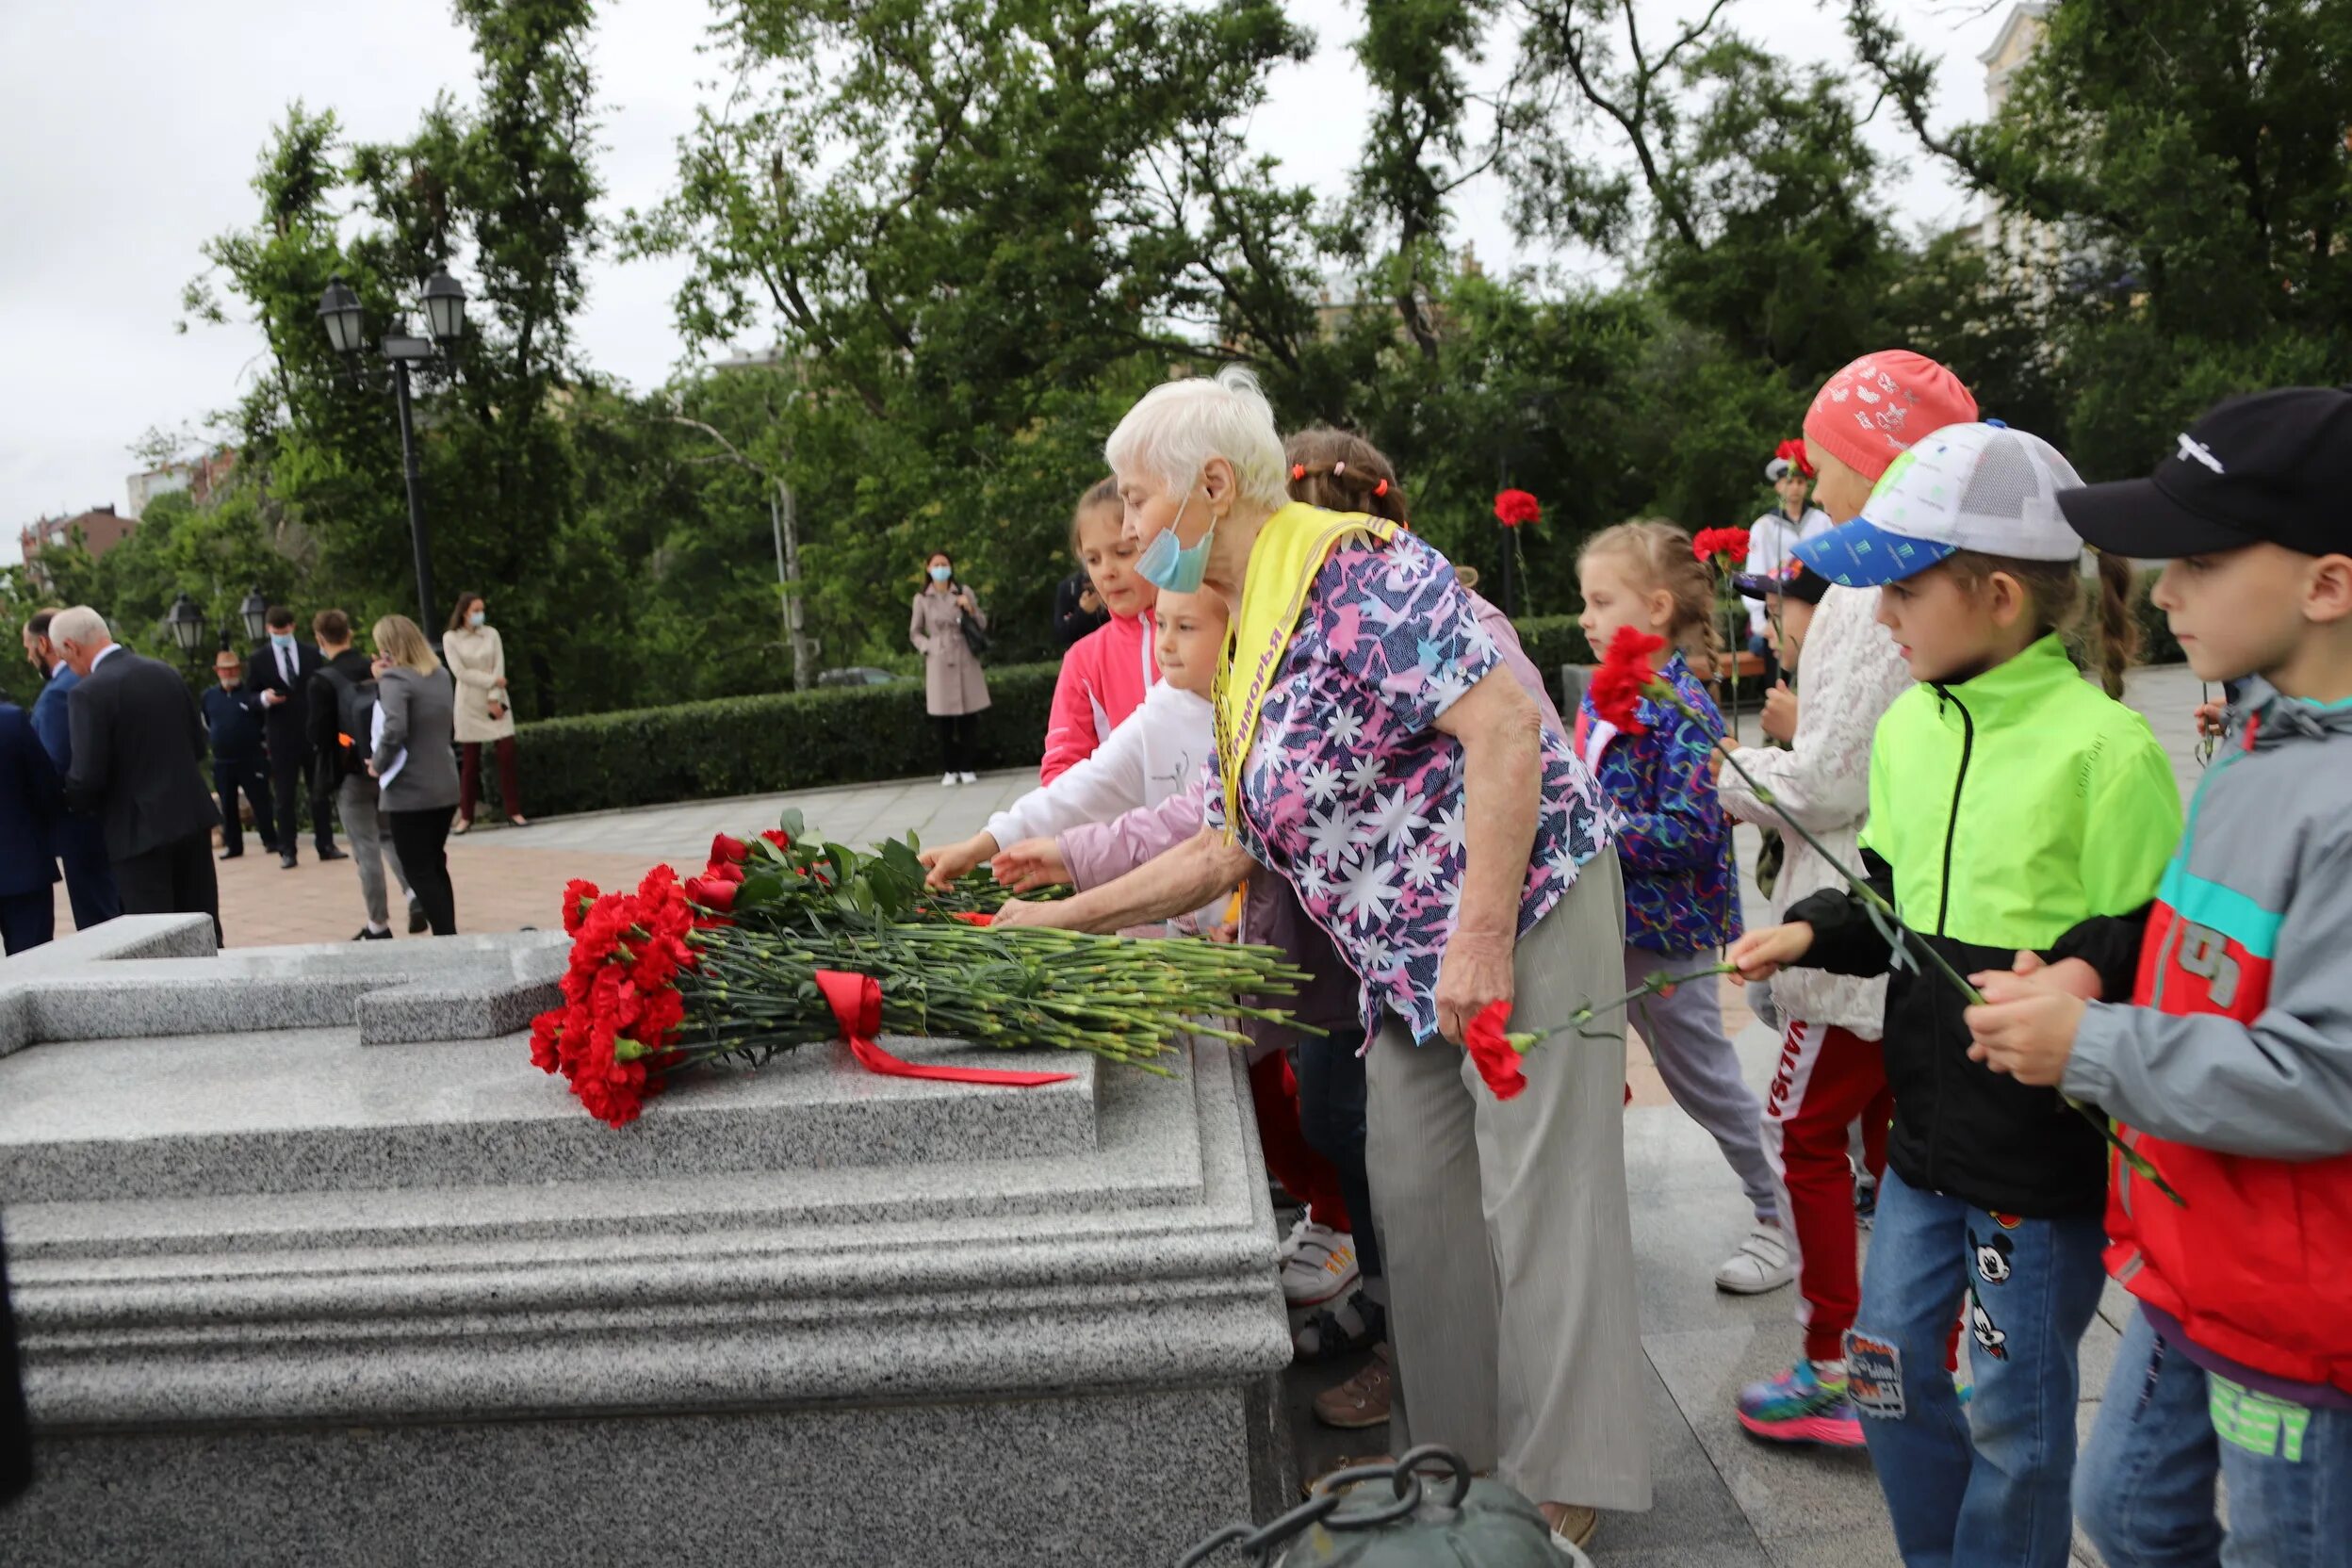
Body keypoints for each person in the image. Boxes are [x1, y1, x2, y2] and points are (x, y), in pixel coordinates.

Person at [992, 368, 1644, 1552]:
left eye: (1137, 501)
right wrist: (1062, 914)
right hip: (1406, 969)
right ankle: (1451, 1482)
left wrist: (1484, 931)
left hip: (1526, 911)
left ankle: (1558, 1500)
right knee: (1418, 1195)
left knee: (1546, 1200)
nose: (1128, 531)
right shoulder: (1256, 622)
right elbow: (1226, 839)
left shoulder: (1358, 573)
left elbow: (1503, 724)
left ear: (1212, 486)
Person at [1728, 421, 2181, 1568]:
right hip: (1923, 1147)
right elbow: (1888, 895)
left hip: (2037, 1163)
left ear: (1993, 596)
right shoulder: (1910, 732)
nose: (1881, 615)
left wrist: (2080, 969)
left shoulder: (2107, 748)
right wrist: (1810, 928)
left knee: (2016, 1416)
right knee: (1881, 1371)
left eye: (1903, 589)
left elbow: (2149, 940)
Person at [1962, 386, 2352, 1567]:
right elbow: (2206, 967)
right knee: (2129, 1511)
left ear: (2327, 584)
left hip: (2299, 1307)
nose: (2163, 587)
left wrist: (2091, 1049)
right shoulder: (2254, 737)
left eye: (2198, 557)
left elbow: (2324, 1076)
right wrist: (2090, 979)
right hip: (2198, 1259)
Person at [1714, 560, 1911, 1446]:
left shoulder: (1861, 643)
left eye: (1780, 607)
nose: (1776, 625)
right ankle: (1908, 1367)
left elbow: (1825, 786)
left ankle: (1835, 1360)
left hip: (1845, 966)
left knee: (1801, 1138)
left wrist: (1739, 761)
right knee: (1895, 1155)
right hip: (1882, 963)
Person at [1576, 519, 1790, 1294]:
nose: (1586, 619)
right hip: (1612, 921)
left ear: (1657, 606)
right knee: (1585, 1067)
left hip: (1668, 932)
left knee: (1703, 1079)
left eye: (1602, 602)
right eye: (1585, 602)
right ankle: (1583, 1214)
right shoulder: (1613, 694)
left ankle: (1784, 1216)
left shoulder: (1683, 708)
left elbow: (1695, 831)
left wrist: (1589, 831)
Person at [919, 590, 1216, 903]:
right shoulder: (1160, 710)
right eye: (1161, 623)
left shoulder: (1261, 716)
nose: (1165, 642)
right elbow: (1085, 786)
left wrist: (1075, 857)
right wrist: (983, 844)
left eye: (1185, 627)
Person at [51, 607, 224, 943]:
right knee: (204, 930)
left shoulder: (87, 694)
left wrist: (61, 798)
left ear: (71, 646)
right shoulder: (165, 672)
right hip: (190, 819)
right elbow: (198, 746)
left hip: (136, 834)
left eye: (65, 659)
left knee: (156, 941)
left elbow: (87, 778)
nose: (71, 668)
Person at [310, 611, 421, 940]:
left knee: (365, 847)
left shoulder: (321, 680)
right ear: (349, 633)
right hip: (386, 769)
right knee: (390, 837)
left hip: (350, 775)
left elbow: (316, 735)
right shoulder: (374, 667)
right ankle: (414, 894)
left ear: (320, 639)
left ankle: (378, 924)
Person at [1041, 479, 1159, 782]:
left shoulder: (1209, 629)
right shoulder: (1082, 660)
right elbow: (1061, 769)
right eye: (1093, 559)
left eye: (1122, 552)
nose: (1106, 571)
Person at [23, 609, 120, 928]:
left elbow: (54, 767)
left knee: (100, 920)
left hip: (81, 830)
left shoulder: (55, 695)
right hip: (114, 822)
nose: (27, 657)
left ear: (43, 644)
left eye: (27, 648)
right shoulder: (93, 676)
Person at [368, 614, 461, 937]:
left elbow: (394, 728)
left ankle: (446, 937)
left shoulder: (396, 680)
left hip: (410, 791)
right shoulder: (440, 675)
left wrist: (377, 763)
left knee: (417, 868)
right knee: (436, 863)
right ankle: (449, 933)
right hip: (445, 785)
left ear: (389, 648)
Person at [245, 606, 343, 870]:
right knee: (285, 796)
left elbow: (323, 688)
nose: (281, 635)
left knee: (319, 791)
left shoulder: (311, 654)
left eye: (285, 631)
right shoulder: (259, 659)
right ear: (268, 630)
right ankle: (287, 849)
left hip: (311, 731)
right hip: (280, 735)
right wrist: (265, 698)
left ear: (293, 627)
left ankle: (326, 844)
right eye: (277, 632)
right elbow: (249, 697)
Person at [442, 591, 529, 833]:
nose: (480, 615)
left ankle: (514, 811)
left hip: (496, 699)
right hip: (469, 701)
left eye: (482, 610)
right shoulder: (451, 638)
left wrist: (494, 696)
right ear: (464, 613)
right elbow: (460, 672)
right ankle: (466, 816)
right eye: (475, 611)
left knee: (507, 754)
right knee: (470, 762)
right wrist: (492, 680)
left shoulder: (492, 634)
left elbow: (498, 665)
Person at [1743, 442, 1834, 665]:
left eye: (1800, 482)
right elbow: (1754, 576)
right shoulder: (1764, 527)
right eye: (1789, 481)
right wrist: (1759, 622)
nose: (1795, 488)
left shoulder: (1822, 521)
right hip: (1775, 617)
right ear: (1778, 486)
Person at [909, 550, 989, 786]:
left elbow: (982, 624)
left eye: (945, 564)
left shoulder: (964, 592)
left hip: (964, 654)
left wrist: (971, 609)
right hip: (939, 659)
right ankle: (949, 769)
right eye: (937, 564)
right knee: (943, 720)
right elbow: (914, 631)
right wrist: (928, 647)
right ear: (928, 568)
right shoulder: (922, 598)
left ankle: (967, 766)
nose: (941, 568)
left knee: (969, 716)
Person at [199, 650, 278, 860]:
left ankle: (270, 840)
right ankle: (234, 845)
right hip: (223, 759)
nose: (229, 673)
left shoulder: (250, 693)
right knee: (228, 804)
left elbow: (263, 722)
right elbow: (207, 721)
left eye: (233, 669)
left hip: (251, 756)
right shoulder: (209, 696)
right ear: (217, 671)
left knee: (260, 799)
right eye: (224, 670)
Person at [0, 697, 62, 955]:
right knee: (33, 963)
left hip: (22, 867)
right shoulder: (11, 720)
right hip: (21, 864)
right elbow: (47, 788)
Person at [1053, 565, 1110, 648]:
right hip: (1085, 652)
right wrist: (1083, 611)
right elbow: (1062, 633)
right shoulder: (1069, 587)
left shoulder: (1114, 580)